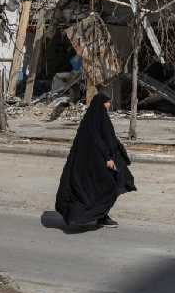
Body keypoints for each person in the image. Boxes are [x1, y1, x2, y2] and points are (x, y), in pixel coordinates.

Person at [56, 91, 136, 228]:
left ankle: (101, 215)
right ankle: (99, 216)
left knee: (113, 184)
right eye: (108, 102)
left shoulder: (96, 117)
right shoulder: (95, 119)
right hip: (99, 160)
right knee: (107, 186)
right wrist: (108, 158)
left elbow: (109, 138)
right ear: (102, 103)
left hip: (102, 159)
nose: (109, 105)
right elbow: (97, 140)